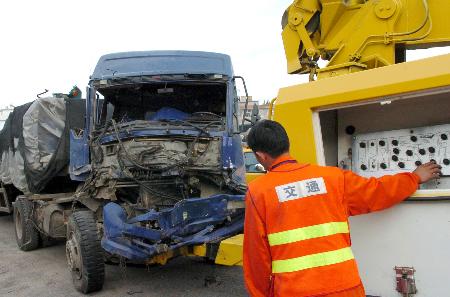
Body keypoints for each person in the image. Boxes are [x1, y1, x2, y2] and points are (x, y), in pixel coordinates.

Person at [243, 120, 442, 297]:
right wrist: (414, 177)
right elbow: (378, 191)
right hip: (345, 286)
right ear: (286, 144)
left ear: (260, 156)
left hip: (294, 290)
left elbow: (256, 257)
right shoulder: (334, 178)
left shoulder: (259, 191)